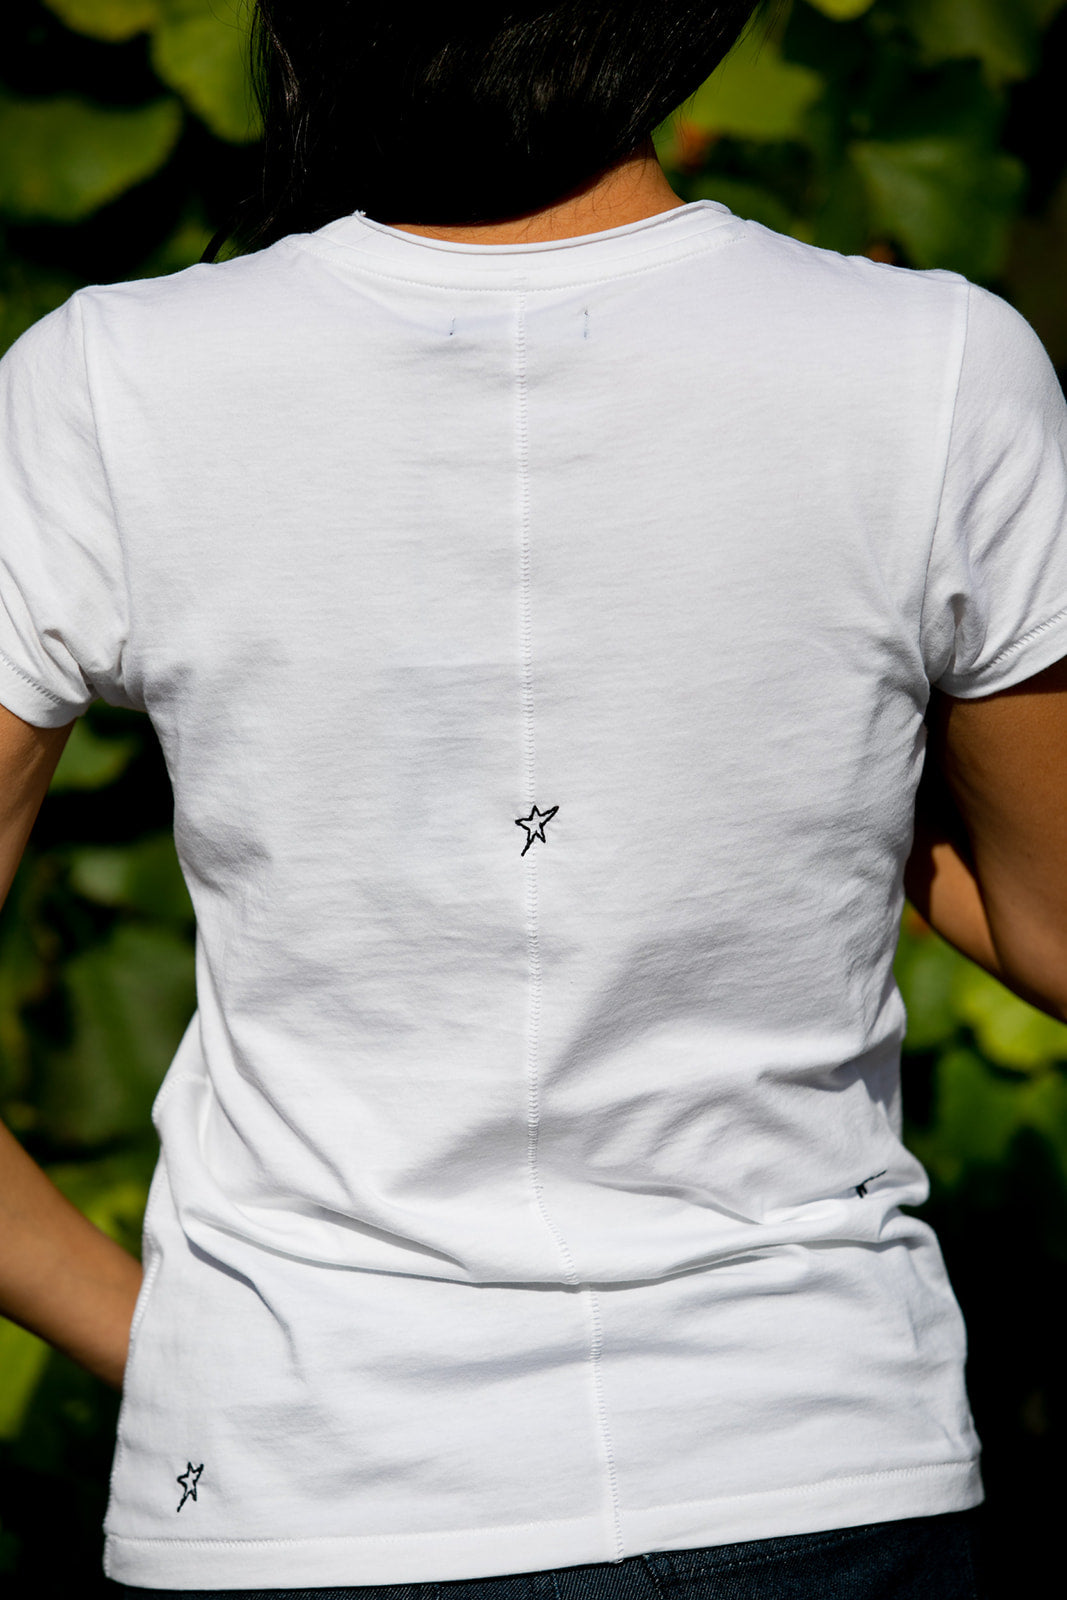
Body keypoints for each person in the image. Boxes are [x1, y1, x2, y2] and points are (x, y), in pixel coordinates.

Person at [1, 3, 1065, 1596]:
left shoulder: (103, 380)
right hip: (808, 1458)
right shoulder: (939, 365)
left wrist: (190, 1354)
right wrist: (813, 765)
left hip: (295, 1490)